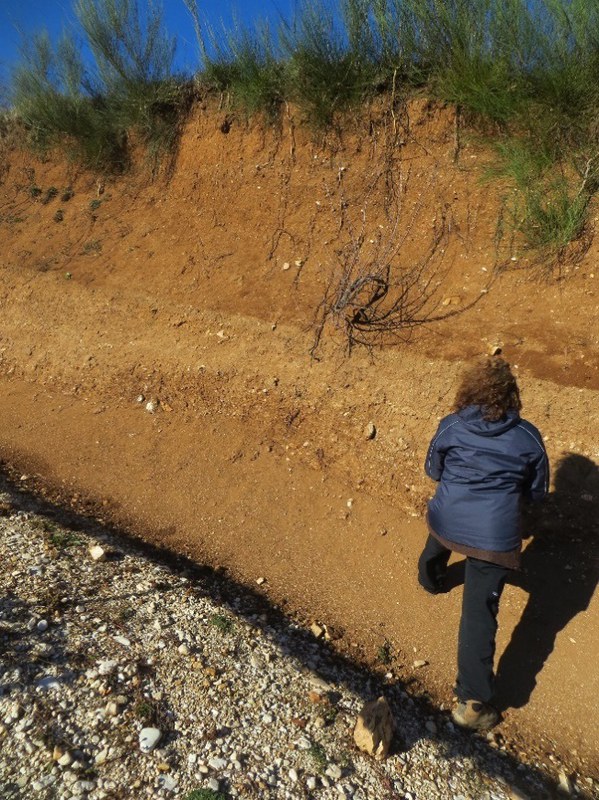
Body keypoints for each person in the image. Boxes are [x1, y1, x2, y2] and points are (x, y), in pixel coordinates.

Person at [418, 355, 549, 731]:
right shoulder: (528, 437)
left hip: (446, 518)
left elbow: (433, 470)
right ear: (513, 397)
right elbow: (537, 492)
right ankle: (473, 703)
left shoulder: (451, 425)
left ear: (469, 390)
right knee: (478, 614)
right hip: (493, 538)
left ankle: (430, 578)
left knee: (439, 538)